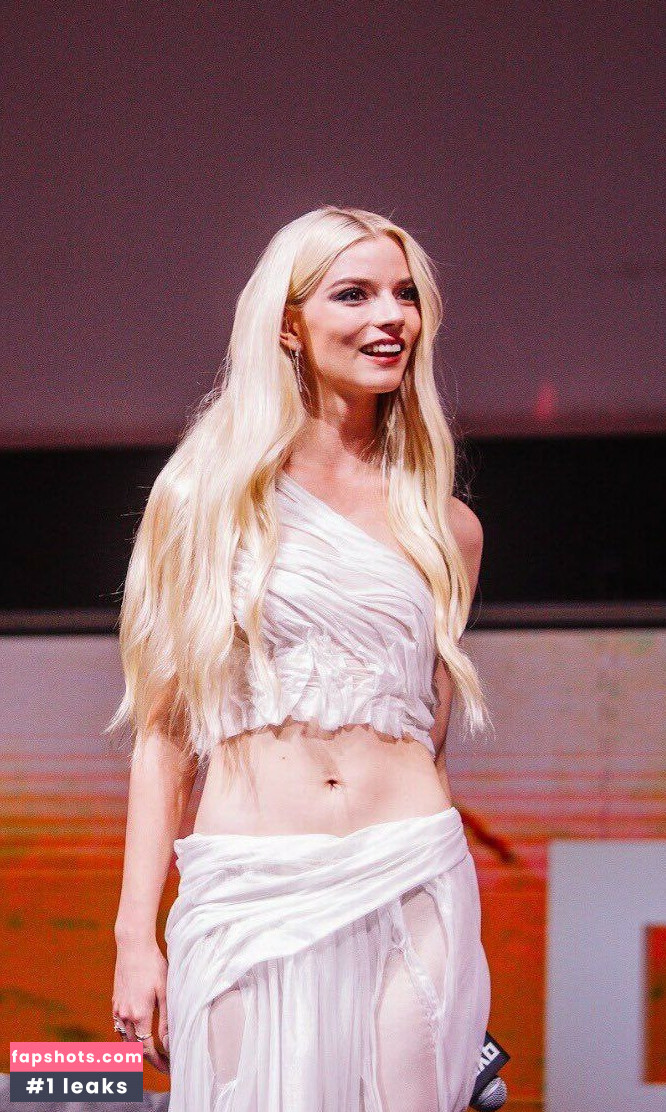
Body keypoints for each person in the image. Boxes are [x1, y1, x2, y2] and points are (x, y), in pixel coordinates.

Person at [108, 205, 493, 1112]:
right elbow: (165, 734)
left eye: (404, 295)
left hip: (412, 870)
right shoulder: (204, 501)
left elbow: (428, 730)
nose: (389, 316)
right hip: (249, 883)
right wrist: (134, 935)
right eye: (353, 294)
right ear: (288, 323)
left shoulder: (445, 527)